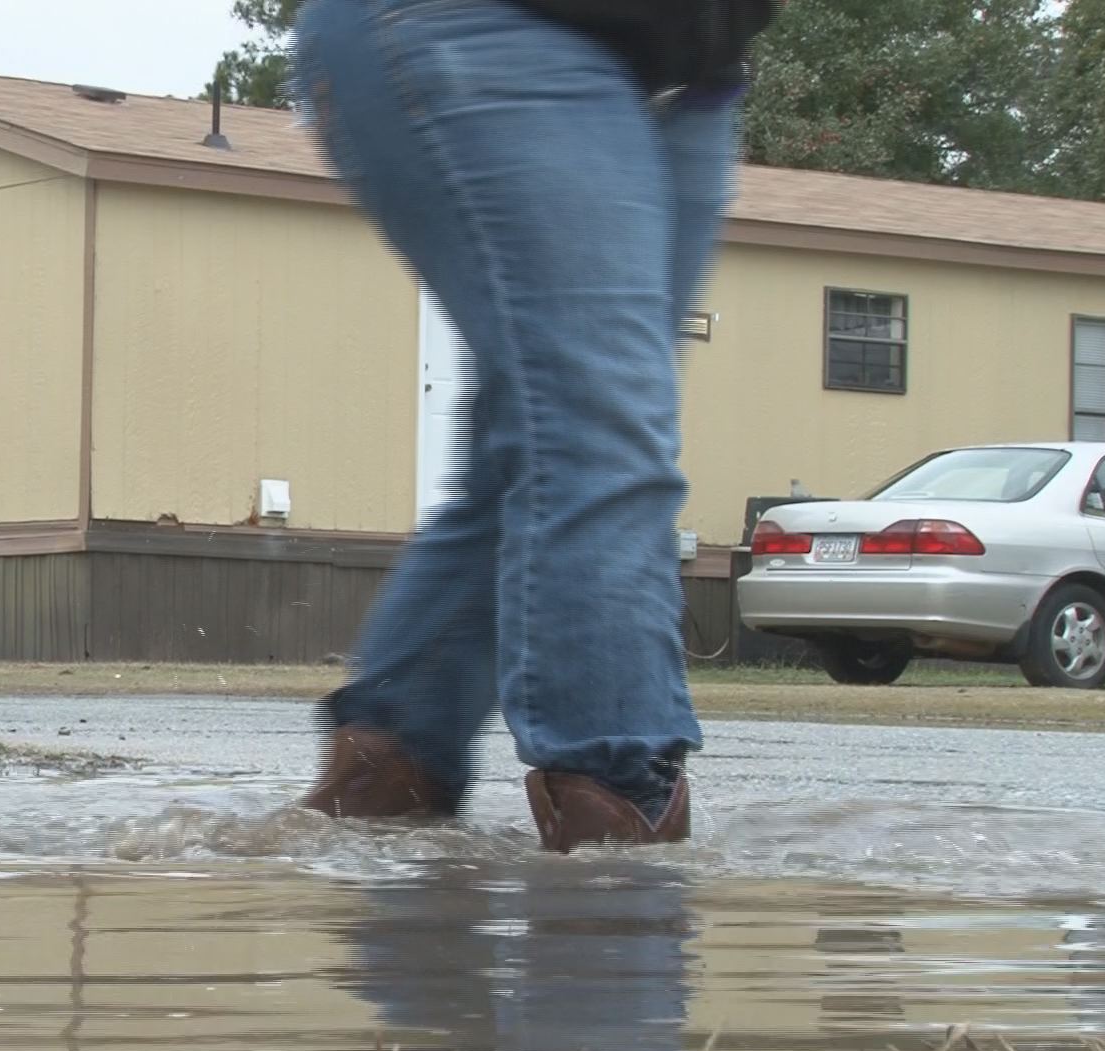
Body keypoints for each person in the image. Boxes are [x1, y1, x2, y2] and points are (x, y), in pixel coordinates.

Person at [290, 0, 782, 851]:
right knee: (600, 432)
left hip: (689, 76)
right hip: (487, 25)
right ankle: (617, 832)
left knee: (541, 437)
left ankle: (388, 779)